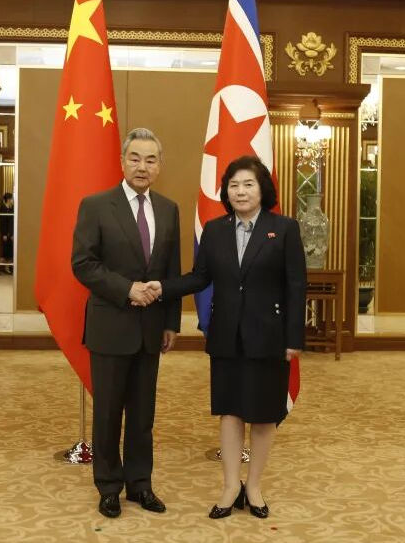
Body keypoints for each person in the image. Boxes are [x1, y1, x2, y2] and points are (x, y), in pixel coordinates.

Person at [148, 155, 306, 520]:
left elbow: (296, 286)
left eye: (248, 184)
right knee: (231, 412)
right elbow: (199, 277)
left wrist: (293, 338)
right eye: (233, 185)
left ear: (262, 189)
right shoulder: (215, 230)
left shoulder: (283, 229)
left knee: (264, 415)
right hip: (226, 338)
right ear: (226, 191)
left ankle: (254, 485)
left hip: (270, 336)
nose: (240, 191)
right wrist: (163, 288)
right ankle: (230, 484)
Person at [71, 128, 182, 519]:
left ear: (159, 166)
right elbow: (83, 264)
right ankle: (108, 487)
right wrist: (127, 289)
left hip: (152, 329)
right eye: (135, 157)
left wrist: (171, 322)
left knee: (143, 414)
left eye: (151, 160)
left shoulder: (169, 209)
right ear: (122, 161)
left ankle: (140, 484)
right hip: (110, 325)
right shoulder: (97, 205)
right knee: (107, 413)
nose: (142, 166)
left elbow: (171, 270)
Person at [0, 192, 14, 274]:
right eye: (11, 199)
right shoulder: (3, 208)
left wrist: (11, 234)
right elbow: (2, 222)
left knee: (10, 252)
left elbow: (12, 222)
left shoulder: (12, 208)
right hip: (5, 233)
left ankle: (7, 268)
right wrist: (4, 233)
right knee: (4, 252)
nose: (13, 200)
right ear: (8, 200)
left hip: (10, 233)